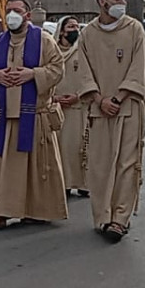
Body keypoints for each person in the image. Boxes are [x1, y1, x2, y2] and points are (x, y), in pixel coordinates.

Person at [68, 0, 145, 243]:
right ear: (102, 2)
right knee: (100, 165)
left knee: (127, 164)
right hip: (98, 108)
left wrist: (119, 97)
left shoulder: (134, 28)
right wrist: (99, 99)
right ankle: (102, 217)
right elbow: (83, 71)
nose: (121, 3)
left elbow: (139, 68)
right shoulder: (88, 33)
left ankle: (120, 219)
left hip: (127, 107)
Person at [0, 0, 67, 230]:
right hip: (5, 118)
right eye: (8, 11)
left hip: (34, 116)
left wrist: (33, 74)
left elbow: (57, 68)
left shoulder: (44, 41)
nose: (11, 15)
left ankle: (35, 211)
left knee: (35, 169)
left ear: (27, 15)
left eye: (17, 11)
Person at [53, 16, 90, 198]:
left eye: (77, 26)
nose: (75, 29)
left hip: (78, 106)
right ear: (61, 31)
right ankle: (64, 183)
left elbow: (91, 77)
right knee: (61, 148)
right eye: (70, 26)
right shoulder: (52, 52)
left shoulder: (82, 51)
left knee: (80, 148)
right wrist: (54, 98)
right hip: (57, 107)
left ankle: (83, 184)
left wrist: (78, 96)